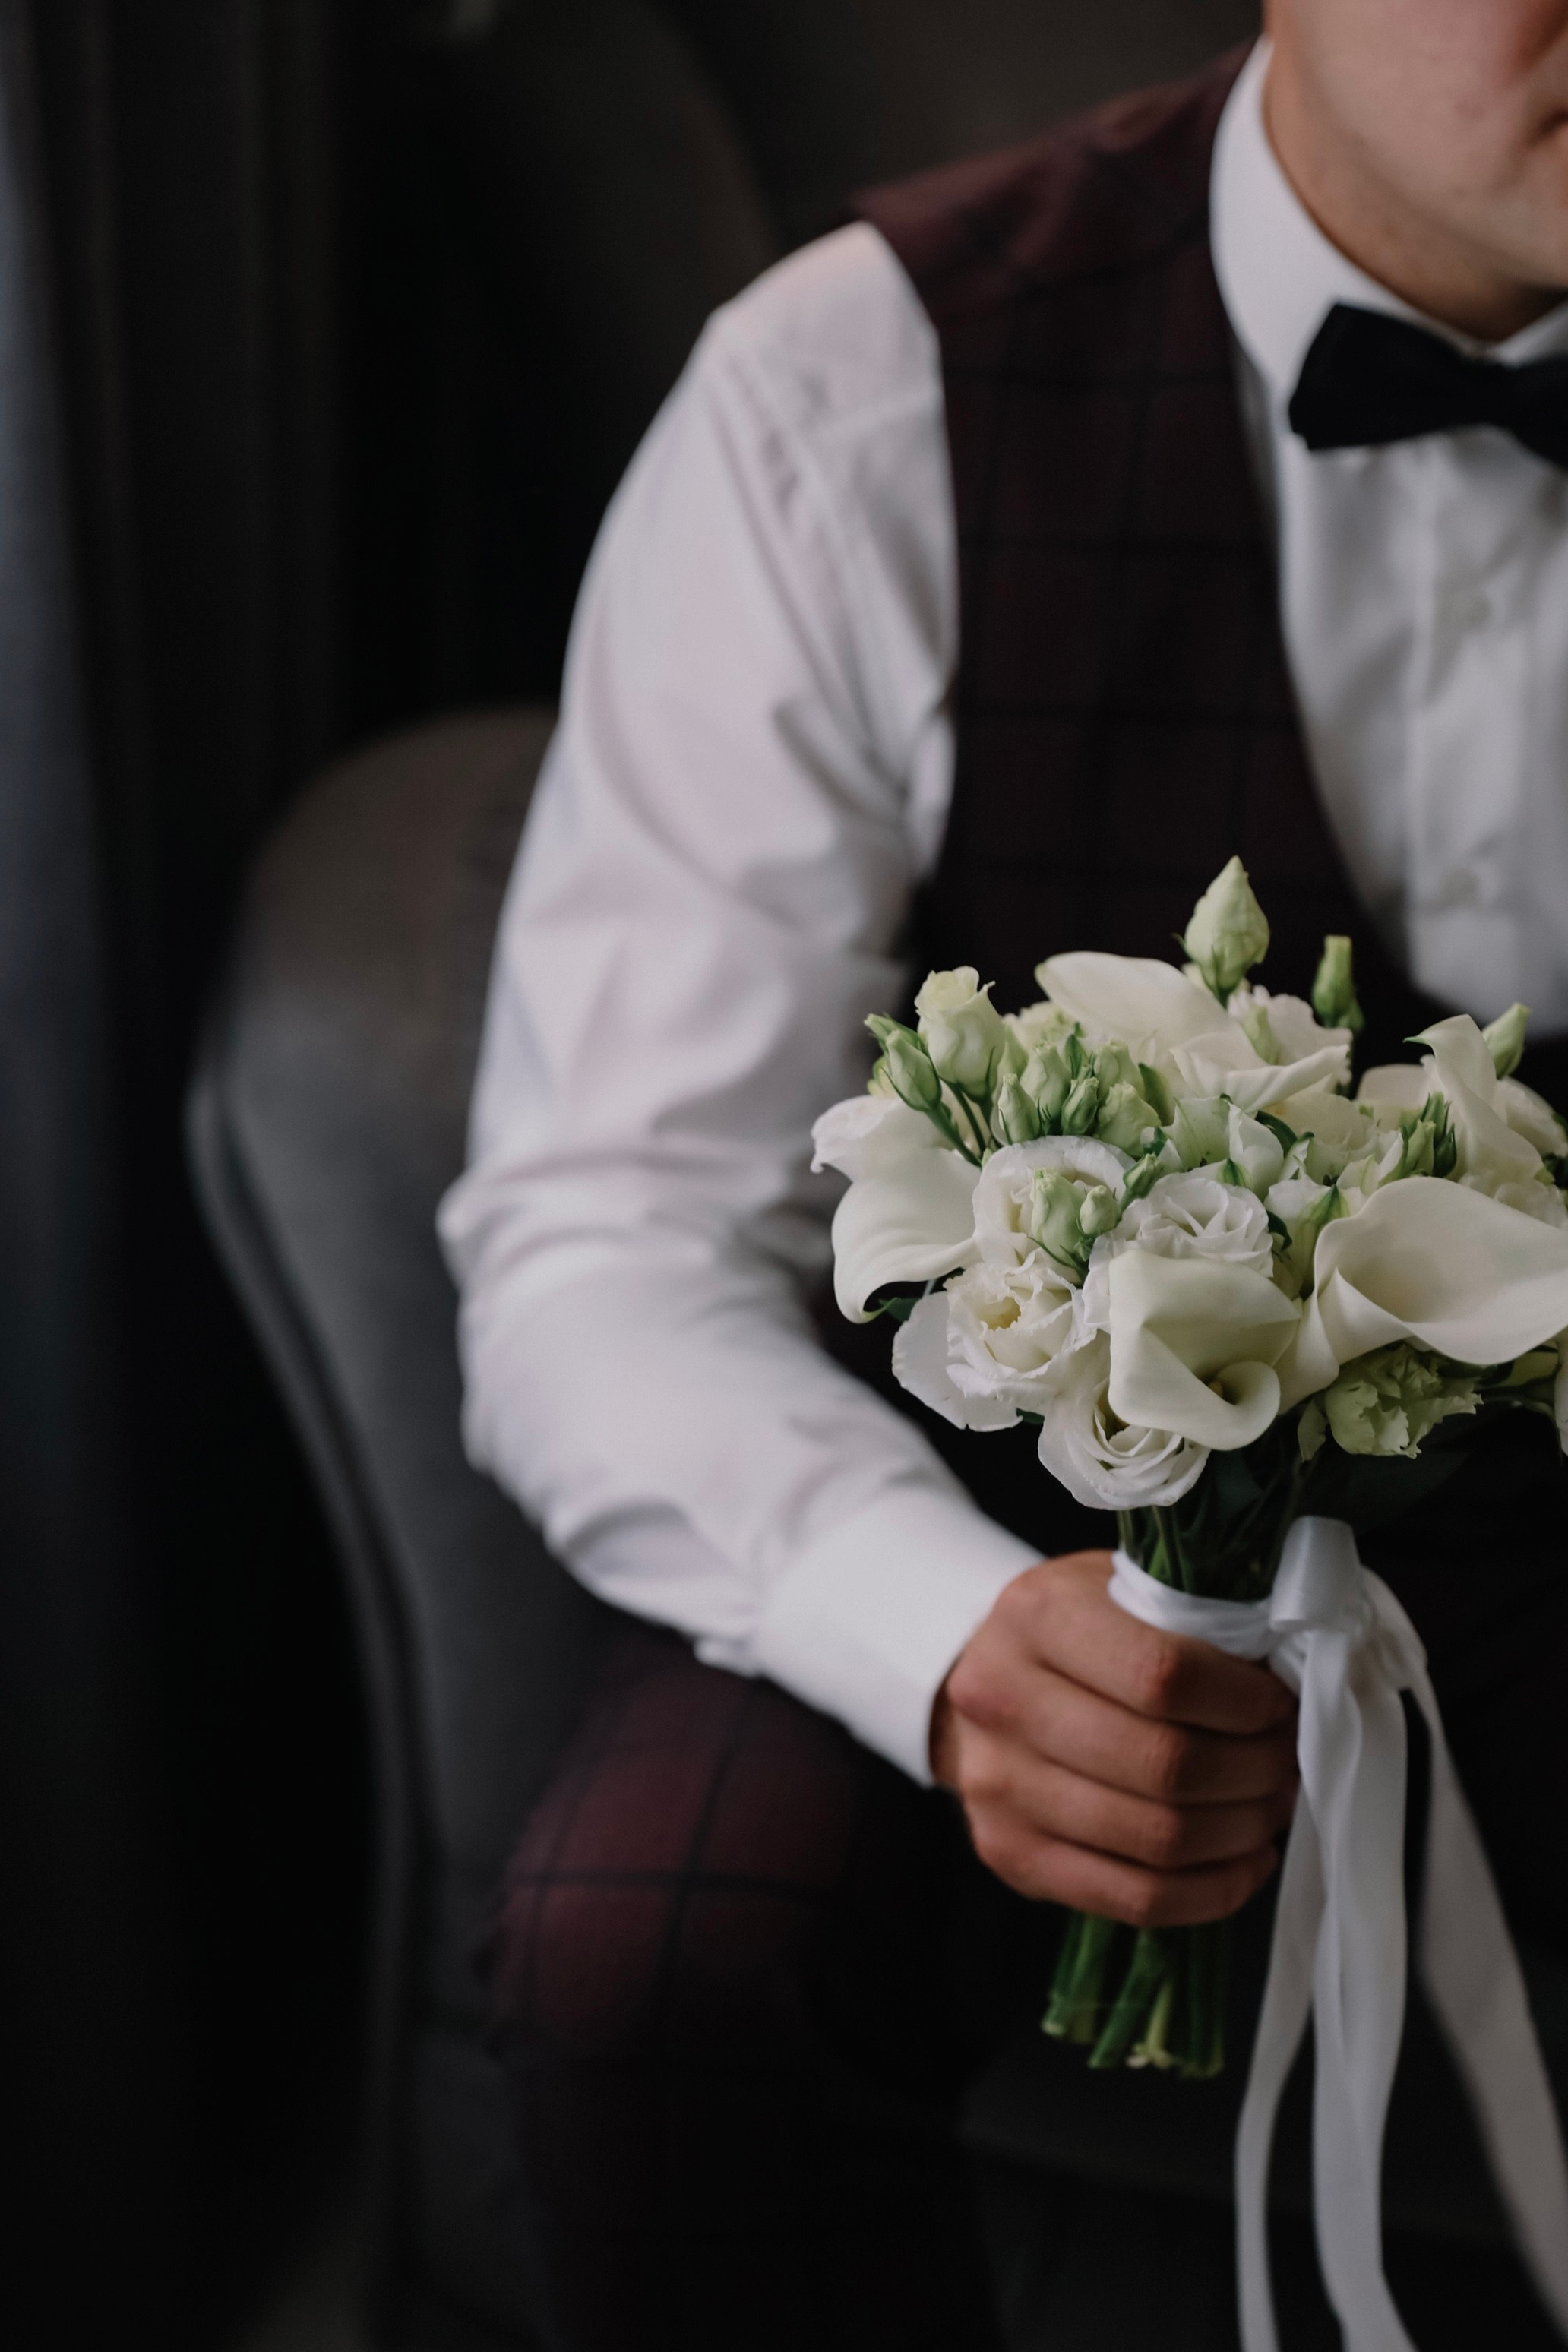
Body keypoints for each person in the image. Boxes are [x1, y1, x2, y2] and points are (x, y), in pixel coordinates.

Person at [438, 7, 1568, 2344]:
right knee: (657, 1941)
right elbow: (604, 1230)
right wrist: (938, 1640)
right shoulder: (846, 401)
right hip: (1039, 1517)